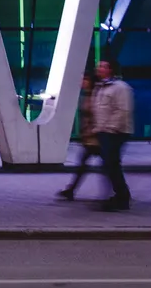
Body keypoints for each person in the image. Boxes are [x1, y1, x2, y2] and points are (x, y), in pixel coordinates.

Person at [91, 59, 135, 211]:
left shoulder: (120, 88)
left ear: (111, 70)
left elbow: (123, 110)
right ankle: (121, 196)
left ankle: (122, 198)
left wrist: (111, 128)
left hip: (116, 133)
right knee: (111, 165)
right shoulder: (101, 87)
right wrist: (98, 129)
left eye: (103, 66)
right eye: (98, 66)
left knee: (112, 165)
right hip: (105, 132)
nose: (99, 68)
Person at [57, 72, 100, 201]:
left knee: (111, 166)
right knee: (83, 165)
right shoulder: (86, 95)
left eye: (85, 80)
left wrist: (93, 131)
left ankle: (122, 192)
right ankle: (71, 190)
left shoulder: (95, 96)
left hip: (97, 137)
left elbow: (98, 116)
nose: (82, 82)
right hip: (90, 137)